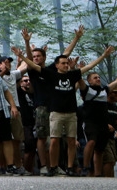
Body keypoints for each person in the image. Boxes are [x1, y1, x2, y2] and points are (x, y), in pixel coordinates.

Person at [17, 45, 112, 176]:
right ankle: (53, 166)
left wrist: (103, 56)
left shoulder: (73, 75)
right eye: (63, 63)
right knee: (54, 140)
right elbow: (34, 66)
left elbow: (89, 67)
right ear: (56, 65)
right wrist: (22, 56)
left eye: (67, 63)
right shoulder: (50, 74)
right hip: (56, 112)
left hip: (71, 113)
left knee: (71, 140)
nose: (66, 65)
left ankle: (69, 167)